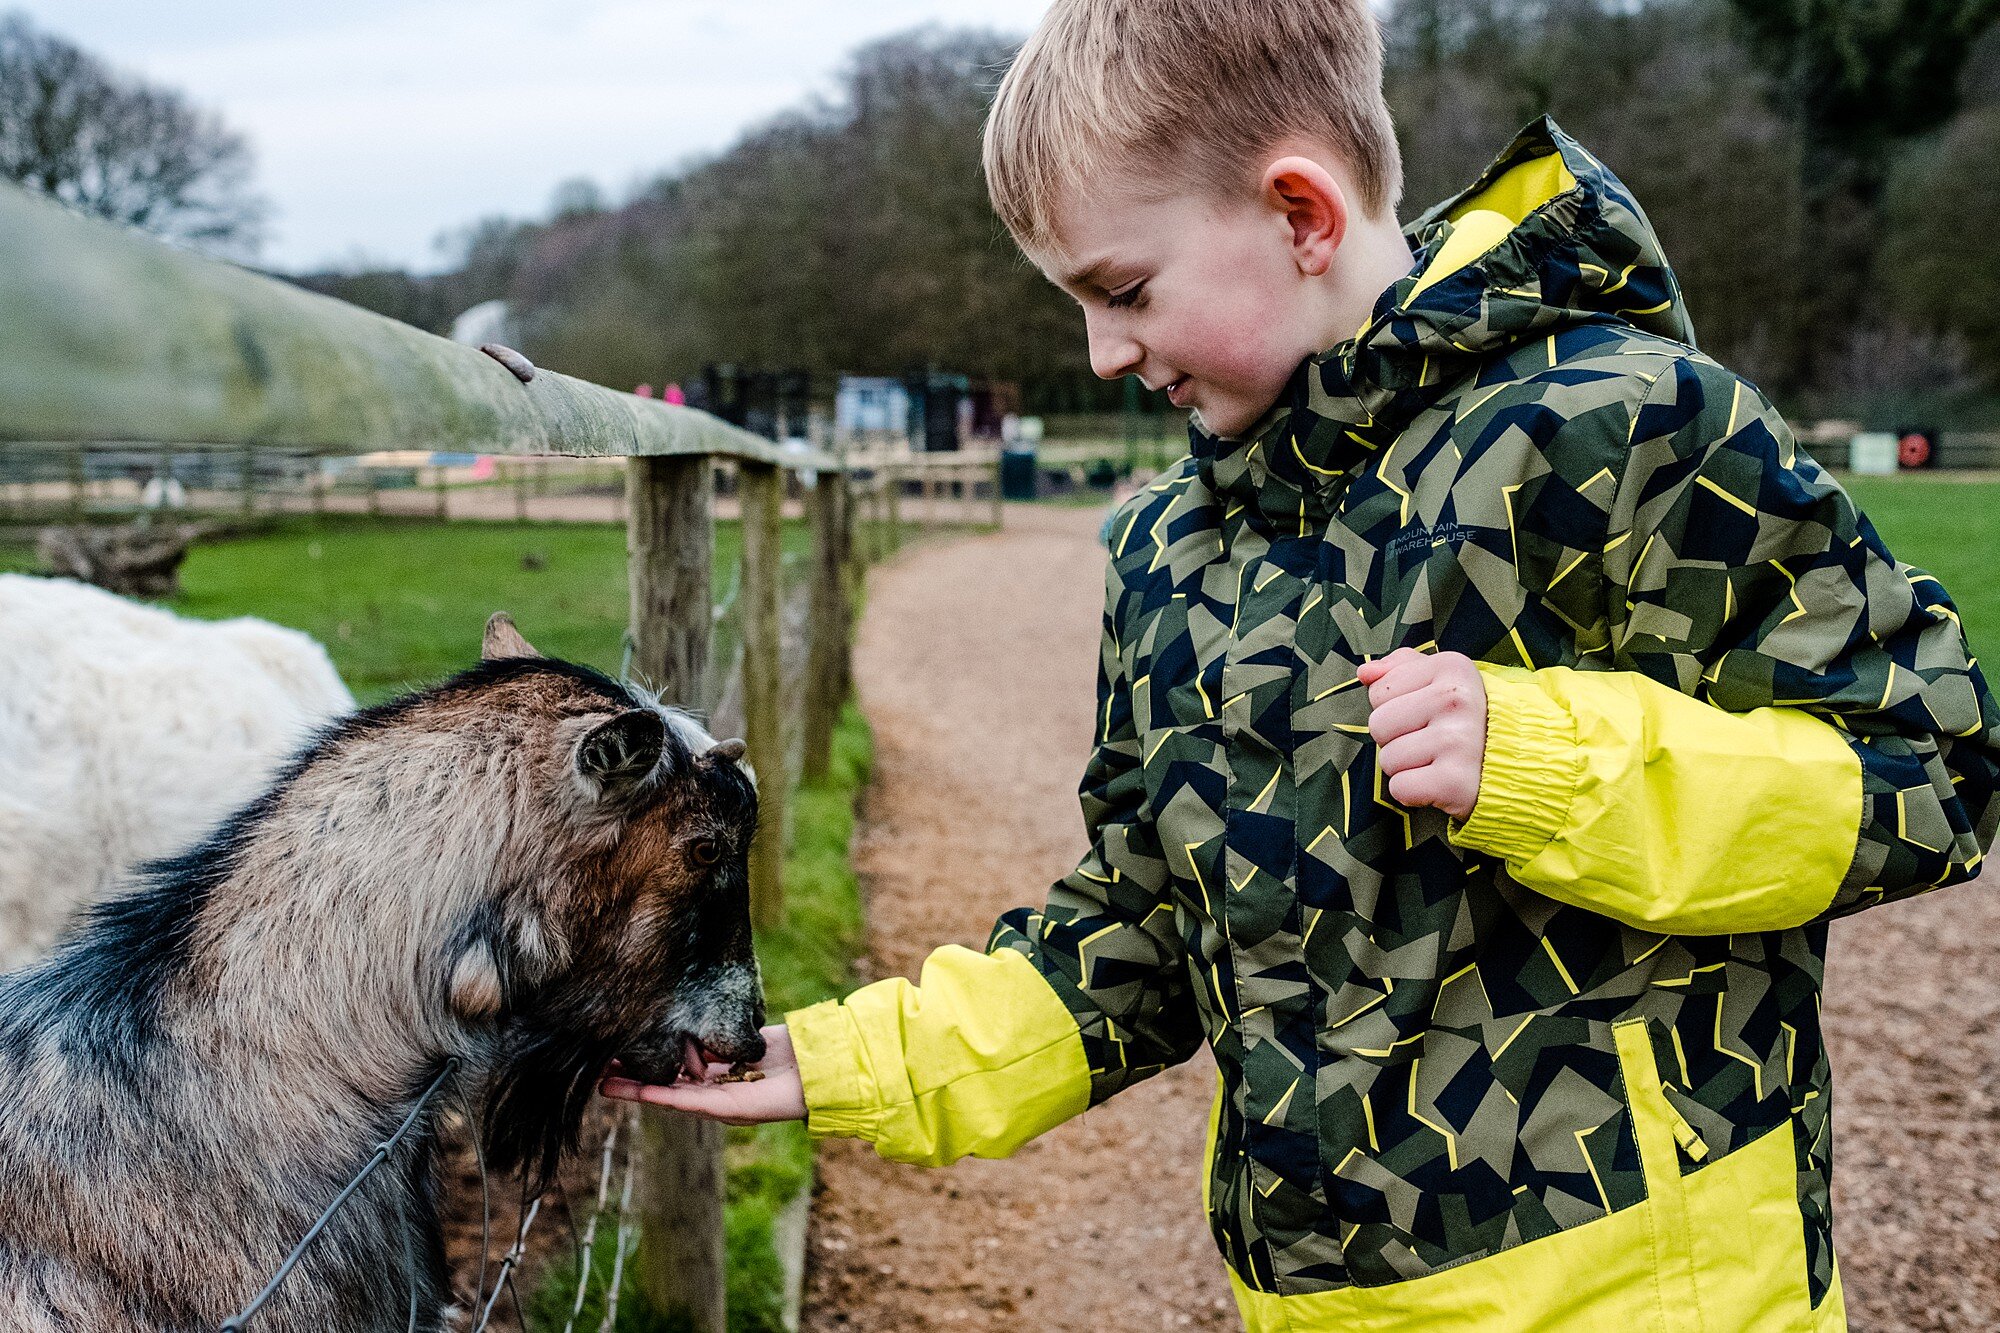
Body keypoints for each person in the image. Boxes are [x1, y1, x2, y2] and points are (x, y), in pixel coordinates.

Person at [602, 1, 2000, 1327]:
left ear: (1300, 212)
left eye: (1125, 290)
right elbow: (1139, 942)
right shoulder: (1166, 550)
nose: (1099, 351)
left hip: (1650, 1279)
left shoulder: (1623, 425)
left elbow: (1929, 767)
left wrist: (1550, 761)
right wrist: (841, 1063)